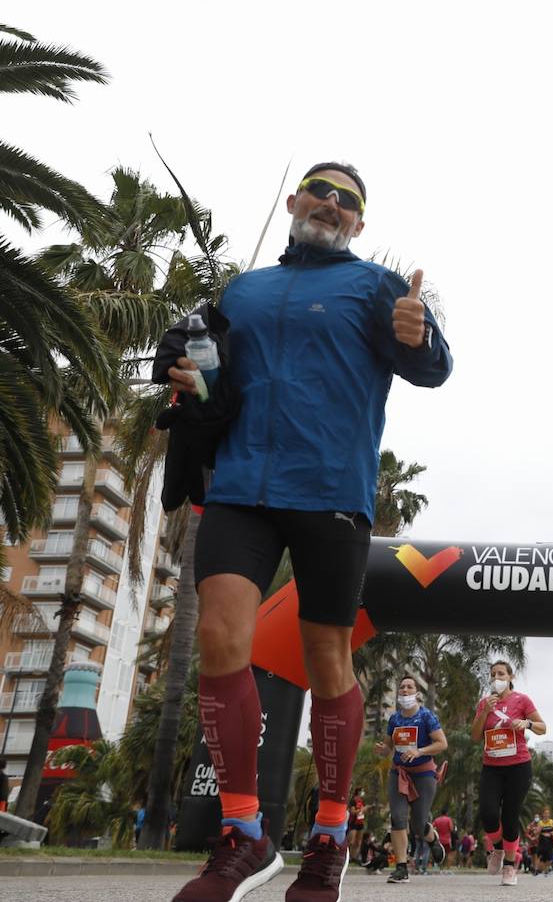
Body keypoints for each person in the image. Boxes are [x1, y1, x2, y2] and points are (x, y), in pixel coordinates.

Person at [166, 161, 453, 902]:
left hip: (330, 491)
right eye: (321, 192)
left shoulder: (375, 288)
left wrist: (420, 338)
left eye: (348, 201)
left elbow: (432, 369)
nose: (331, 205)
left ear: (360, 223)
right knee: (222, 639)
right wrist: (189, 377)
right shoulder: (243, 292)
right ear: (295, 201)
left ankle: (329, 837)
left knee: (328, 657)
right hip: (239, 488)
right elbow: (216, 381)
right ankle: (244, 836)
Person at [470, 660, 546, 886]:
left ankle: (510, 867)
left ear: (511, 677)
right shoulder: (485, 702)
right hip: (492, 767)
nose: (497, 678)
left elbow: (543, 727)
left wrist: (526, 724)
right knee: (488, 813)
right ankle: (499, 849)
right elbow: (475, 736)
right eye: (493, 675)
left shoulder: (521, 700)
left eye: (501, 674)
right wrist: (484, 711)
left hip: (518, 767)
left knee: (510, 817)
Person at [375, 675, 448, 884]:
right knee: (397, 818)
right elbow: (390, 746)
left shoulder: (427, 716)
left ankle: (432, 839)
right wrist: (384, 749)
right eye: (402, 688)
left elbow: (442, 743)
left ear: (417, 693)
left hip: (424, 774)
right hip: (398, 773)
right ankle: (401, 868)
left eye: (409, 687)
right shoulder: (395, 719)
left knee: (417, 823)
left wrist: (419, 751)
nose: (405, 690)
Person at [534, 806, 553, 874]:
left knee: (549, 859)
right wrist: (539, 830)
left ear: (549, 814)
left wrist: (551, 833)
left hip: (550, 841)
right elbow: (536, 833)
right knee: (539, 855)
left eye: (547, 813)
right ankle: (536, 869)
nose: (546, 815)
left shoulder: (552, 822)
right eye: (545, 813)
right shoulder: (540, 823)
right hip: (542, 841)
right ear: (543, 814)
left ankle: (545, 868)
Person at [346, 787, 366, 864]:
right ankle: (346, 855)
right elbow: (352, 811)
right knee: (351, 841)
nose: (363, 793)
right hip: (353, 822)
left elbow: (362, 810)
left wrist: (364, 810)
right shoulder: (353, 800)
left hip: (360, 822)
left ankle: (353, 857)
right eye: (362, 791)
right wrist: (361, 810)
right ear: (358, 792)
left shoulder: (361, 801)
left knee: (358, 842)